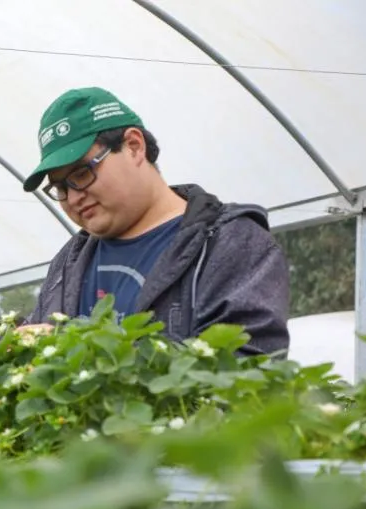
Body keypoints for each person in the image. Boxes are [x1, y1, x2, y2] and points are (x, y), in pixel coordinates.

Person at [20, 86, 290, 356]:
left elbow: (246, 365)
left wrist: (80, 348)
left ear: (134, 146)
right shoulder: (68, 263)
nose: (73, 197)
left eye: (81, 174)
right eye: (60, 188)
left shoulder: (232, 244)